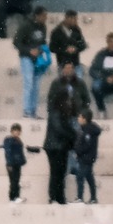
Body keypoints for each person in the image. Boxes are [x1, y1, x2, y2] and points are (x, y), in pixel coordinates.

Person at [44, 63, 90, 205]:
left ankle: (59, 197)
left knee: (60, 173)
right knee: (56, 173)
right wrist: (74, 136)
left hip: (60, 146)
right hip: (55, 146)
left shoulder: (61, 112)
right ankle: (54, 197)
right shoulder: (56, 112)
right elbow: (59, 128)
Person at [13, 7, 50, 118]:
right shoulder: (26, 26)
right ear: (37, 16)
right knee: (28, 83)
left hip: (38, 58)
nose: (45, 18)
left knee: (36, 85)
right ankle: (26, 110)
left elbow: (42, 41)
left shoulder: (43, 27)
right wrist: (29, 50)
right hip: (26, 57)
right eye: (44, 16)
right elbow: (16, 42)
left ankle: (33, 110)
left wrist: (42, 50)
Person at [71, 109, 102, 204]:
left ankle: (80, 197)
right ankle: (93, 198)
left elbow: (87, 145)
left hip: (86, 158)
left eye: (80, 117)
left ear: (85, 119)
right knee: (89, 177)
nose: (78, 119)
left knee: (80, 177)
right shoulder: (85, 129)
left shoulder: (88, 130)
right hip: (87, 157)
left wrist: (78, 150)